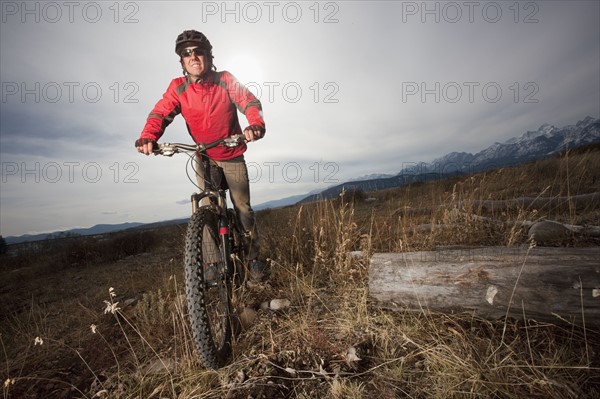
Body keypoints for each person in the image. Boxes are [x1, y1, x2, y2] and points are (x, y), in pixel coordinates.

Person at [135, 30, 267, 282]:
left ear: (208, 56)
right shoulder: (178, 87)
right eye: (187, 53)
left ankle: (253, 259)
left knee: (242, 208)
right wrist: (148, 137)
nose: (193, 56)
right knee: (205, 207)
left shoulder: (225, 79)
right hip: (203, 155)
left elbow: (249, 102)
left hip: (231, 153)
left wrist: (254, 125)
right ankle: (213, 263)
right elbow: (160, 114)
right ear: (182, 61)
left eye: (198, 51)